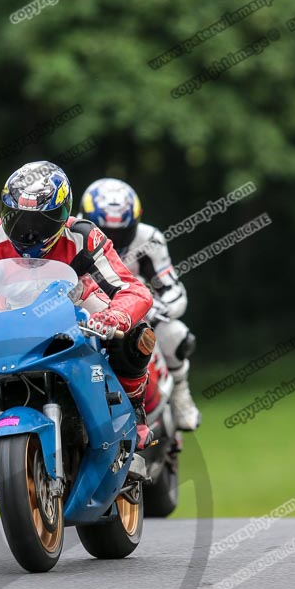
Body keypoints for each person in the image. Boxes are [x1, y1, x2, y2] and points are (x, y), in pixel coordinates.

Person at [0, 161, 157, 449]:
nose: (29, 232)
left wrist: (116, 316)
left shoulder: (84, 236)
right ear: (4, 212)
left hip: (75, 309)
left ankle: (134, 407)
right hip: (6, 319)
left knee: (136, 335)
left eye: (42, 221)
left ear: (63, 215)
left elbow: (132, 288)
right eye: (18, 219)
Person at [79, 178, 201, 430]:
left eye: (121, 232)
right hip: (87, 313)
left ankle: (180, 393)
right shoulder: (74, 234)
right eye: (104, 230)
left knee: (177, 335)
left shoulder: (149, 239)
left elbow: (173, 289)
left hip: (136, 312)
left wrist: (157, 308)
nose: (111, 238)